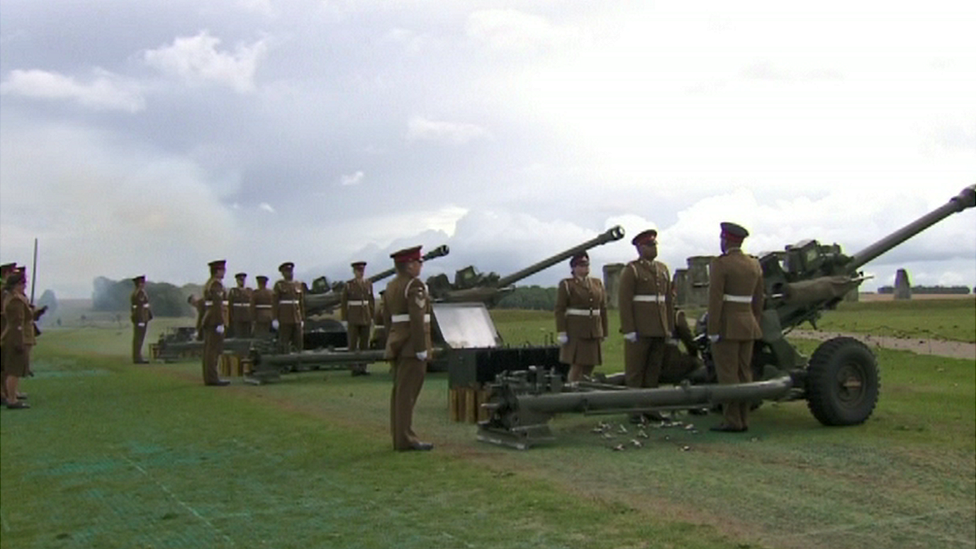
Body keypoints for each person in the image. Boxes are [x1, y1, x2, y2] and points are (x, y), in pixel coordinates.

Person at [707, 222, 764, 433]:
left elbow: (715, 300)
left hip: (727, 326)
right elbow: (759, 300)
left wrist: (713, 330)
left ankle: (732, 420)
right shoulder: (754, 265)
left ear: (726, 240)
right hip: (747, 323)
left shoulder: (721, 264)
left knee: (728, 374)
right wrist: (753, 322)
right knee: (744, 373)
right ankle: (744, 418)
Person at [618, 229, 674, 422]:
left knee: (653, 372)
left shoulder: (662, 269)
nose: (654, 248)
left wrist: (669, 326)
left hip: (659, 327)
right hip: (640, 328)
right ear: (640, 248)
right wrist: (629, 329)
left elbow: (668, 301)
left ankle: (651, 408)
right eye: (650, 245)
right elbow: (625, 302)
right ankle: (635, 410)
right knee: (636, 372)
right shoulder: (632, 270)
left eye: (655, 245)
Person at [383, 246, 433, 451]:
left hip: (399, 343)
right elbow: (417, 319)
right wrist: (421, 348)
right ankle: (405, 439)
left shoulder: (392, 285)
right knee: (407, 395)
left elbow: (386, 318)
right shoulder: (414, 284)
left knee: (400, 393)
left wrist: (393, 339)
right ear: (410, 265)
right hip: (413, 346)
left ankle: (400, 436)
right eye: (418, 262)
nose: (420, 266)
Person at [554, 251, 608, 382]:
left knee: (591, 363)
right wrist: (562, 331)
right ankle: (572, 390)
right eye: (581, 265)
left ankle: (585, 387)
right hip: (576, 330)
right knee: (577, 365)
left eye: (587, 265)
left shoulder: (597, 283)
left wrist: (604, 331)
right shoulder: (567, 284)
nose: (585, 268)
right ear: (574, 268)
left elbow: (603, 309)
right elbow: (560, 309)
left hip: (593, 330)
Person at [1, 272, 34, 408]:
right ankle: (12, 399)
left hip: (10, 335)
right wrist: (18, 341)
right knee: (14, 370)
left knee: (12, 369)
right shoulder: (15, 300)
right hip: (14, 336)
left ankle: (12, 396)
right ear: (16, 286)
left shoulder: (13, 298)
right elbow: (17, 324)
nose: (24, 286)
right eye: (22, 284)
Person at [341, 261, 375, 376]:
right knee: (353, 343)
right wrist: (345, 318)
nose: (360, 273)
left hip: (365, 316)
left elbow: (371, 301)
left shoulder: (368, 284)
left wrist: (372, 316)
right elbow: (344, 302)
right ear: (354, 271)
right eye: (358, 271)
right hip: (353, 316)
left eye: (362, 270)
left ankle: (363, 367)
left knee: (364, 343)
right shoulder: (349, 285)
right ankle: (354, 367)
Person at [201, 260, 230, 386]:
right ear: (217, 271)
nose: (224, 272)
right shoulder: (216, 285)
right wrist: (220, 322)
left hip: (211, 319)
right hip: (214, 319)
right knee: (213, 350)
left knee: (210, 350)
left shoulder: (211, 284)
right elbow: (218, 305)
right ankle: (212, 378)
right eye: (222, 270)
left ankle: (210, 377)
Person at [272, 262, 305, 353]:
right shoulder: (279, 285)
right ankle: (285, 363)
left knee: (298, 341)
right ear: (282, 273)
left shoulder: (298, 284)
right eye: (287, 271)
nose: (289, 273)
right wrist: (275, 318)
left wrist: (302, 318)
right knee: (284, 342)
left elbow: (301, 303)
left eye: (290, 271)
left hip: (296, 318)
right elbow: (275, 302)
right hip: (284, 318)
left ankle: (298, 363)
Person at [130, 275, 153, 364]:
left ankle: (137, 356)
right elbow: (140, 308)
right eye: (142, 282)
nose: (143, 284)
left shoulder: (136, 292)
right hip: (141, 318)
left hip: (141, 318)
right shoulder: (140, 293)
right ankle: (137, 357)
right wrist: (141, 320)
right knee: (139, 338)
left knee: (138, 338)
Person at [228, 272, 252, 339]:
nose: (242, 282)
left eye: (243, 280)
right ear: (237, 281)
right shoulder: (233, 291)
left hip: (247, 316)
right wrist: (231, 316)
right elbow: (230, 305)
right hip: (237, 315)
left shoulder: (249, 291)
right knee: (238, 334)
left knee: (247, 334)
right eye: (240, 280)